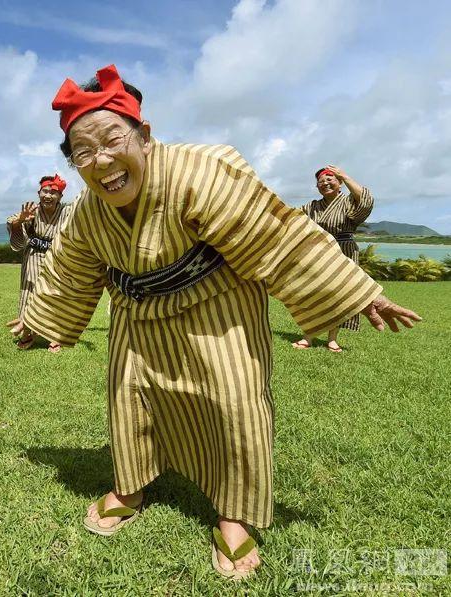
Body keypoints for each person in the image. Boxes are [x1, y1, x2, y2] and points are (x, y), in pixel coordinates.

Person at [23, 65, 420, 579]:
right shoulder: (86, 213)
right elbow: (71, 271)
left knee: (235, 402)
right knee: (131, 400)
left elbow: (276, 235)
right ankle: (131, 483)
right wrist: (42, 320)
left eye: (112, 140)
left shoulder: (201, 173)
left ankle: (234, 514)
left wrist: (353, 291)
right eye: (83, 152)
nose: (102, 161)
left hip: (218, 304)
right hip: (137, 316)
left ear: (144, 135)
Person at [292, 166, 374, 353]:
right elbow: (291, 216)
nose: (325, 183)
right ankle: (308, 336)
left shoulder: (348, 202)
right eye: (321, 181)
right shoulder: (311, 206)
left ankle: (332, 339)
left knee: (338, 295)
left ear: (340, 184)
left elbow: (366, 202)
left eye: (331, 180)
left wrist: (344, 175)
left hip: (344, 251)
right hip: (318, 252)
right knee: (313, 294)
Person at [5, 174, 74, 352]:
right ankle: (27, 333)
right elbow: (12, 221)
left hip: (58, 258)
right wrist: (20, 220)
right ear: (39, 192)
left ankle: (54, 334)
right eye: (45, 191)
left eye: (53, 192)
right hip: (34, 256)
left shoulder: (67, 211)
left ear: (60, 196)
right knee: (30, 292)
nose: (48, 196)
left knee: (55, 294)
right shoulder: (32, 210)